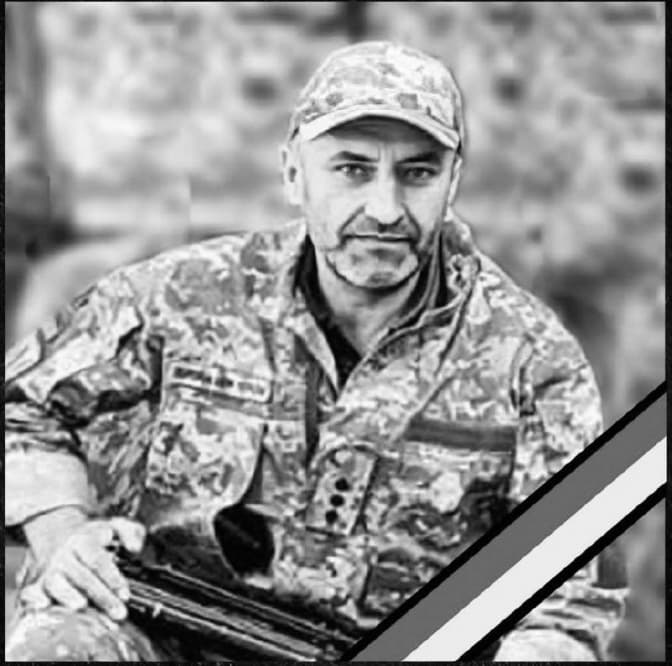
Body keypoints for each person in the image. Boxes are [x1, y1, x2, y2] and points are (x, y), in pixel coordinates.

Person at [5, 41, 626, 661]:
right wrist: (64, 534)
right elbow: (20, 405)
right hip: (166, 635)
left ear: (453, 181)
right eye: (352, 169)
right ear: (293, 172)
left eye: (418, 173)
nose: (385, 209)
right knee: (58, 642)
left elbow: (567, 597)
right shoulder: (186, 295)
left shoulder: (533, 361)